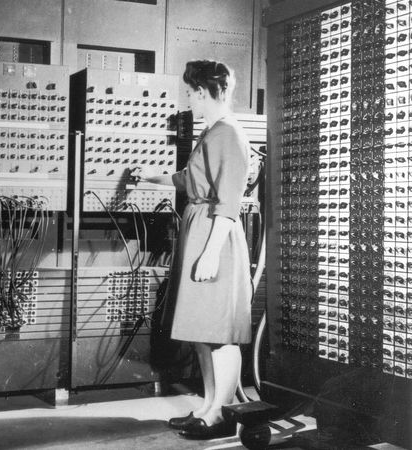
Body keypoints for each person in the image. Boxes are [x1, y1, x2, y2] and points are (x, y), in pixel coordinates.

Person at [145, 60, 251, 440]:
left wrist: (209, 253)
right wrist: (148, 177)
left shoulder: (227, 134)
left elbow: (229, 201)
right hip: (200, 231)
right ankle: (209, 406)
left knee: (218, 331)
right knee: (200, 329)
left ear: (205, 93)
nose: (189, 99)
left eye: (191, 92)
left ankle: (222, 414)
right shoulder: (214, 133)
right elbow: (188, 179)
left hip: (214, 237)